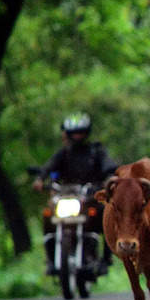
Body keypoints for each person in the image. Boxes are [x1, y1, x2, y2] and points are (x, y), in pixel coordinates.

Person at [33, 113, 118, 275]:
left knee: (108, 216)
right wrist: (40, 179)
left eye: (81, 132)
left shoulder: (96, 151)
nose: (77, 136)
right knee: (47, 215)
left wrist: (109, 179)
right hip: (66, 196)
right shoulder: (63, 153)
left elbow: (109, 167)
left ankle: (106, 259)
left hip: (90, 197)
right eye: (74, 133)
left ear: (87, 133)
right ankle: (51, 260)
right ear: (68, 134)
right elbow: (48, 167)